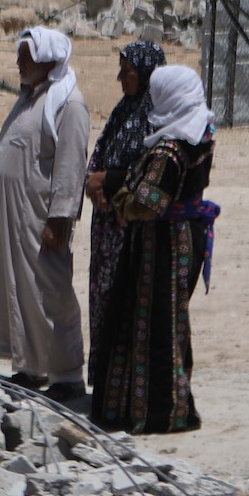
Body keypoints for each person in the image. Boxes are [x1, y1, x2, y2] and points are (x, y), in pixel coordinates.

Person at [88, 65, 218, 433]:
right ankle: (160, 406)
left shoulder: (170, 146)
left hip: (160, 246)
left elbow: (148, 202)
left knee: (151, 324)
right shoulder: (200, 131)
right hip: (181, 238)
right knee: (168, 321)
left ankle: (155, 412)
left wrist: (121, 201)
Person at [0, 27, 91, 400]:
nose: (19, 62)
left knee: (50, 291)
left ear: (48, 59)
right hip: (15, 216)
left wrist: (59, 218)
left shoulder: (69, 104)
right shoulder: (31, 97)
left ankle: (66, 375)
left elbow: (71, 165)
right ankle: (30, 367)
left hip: (41, 218)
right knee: (19, 289)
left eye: (26, 56)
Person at [83, 41, 166, 370]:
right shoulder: (123, 109)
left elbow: (151, 168)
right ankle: (104, 380)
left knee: (125, 301)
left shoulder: (157, 116)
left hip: (130, 229)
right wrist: (93, 182)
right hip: (105, 226)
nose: (120, 78)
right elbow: (100, 150)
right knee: (102, 298)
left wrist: (109, 181)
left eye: (127, 72)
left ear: (147, 74)